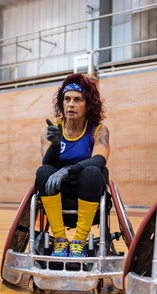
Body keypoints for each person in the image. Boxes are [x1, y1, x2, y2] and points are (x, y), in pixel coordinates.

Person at [35, 73, 110, 258]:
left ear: (88, 105)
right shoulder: (49, 130)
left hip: (87, 188)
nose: (71, 104)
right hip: (60, 190)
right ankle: (60, 240)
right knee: (43, 171)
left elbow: (100, 159)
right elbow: (48, 165)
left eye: (78, 100)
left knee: (93, 171)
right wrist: (54, 145)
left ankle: (78, 242)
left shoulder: (99, 130)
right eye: (67, 99)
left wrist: (67, 170)